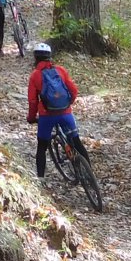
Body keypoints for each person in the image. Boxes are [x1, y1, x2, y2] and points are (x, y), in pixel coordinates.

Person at [26, 42, 83, 179]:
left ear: (35, 57)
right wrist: (68, 104)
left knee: (41, 148)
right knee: (76, 142)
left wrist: (31, 118)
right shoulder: (61, 70)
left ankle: (40, 179)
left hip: (47, 116)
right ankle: (88, 172)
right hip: (66, 114)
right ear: (49, 56)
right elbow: (74, 90)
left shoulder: (35, 76)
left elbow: (33, 101)